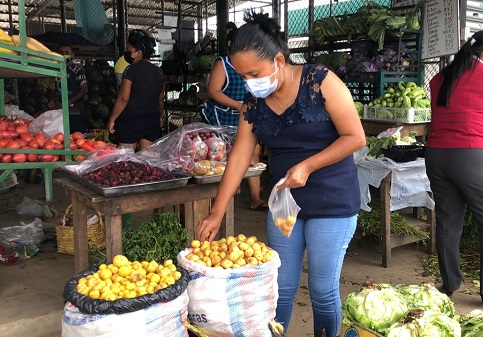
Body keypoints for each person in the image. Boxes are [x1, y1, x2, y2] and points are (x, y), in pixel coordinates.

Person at [195, 11, 366, 336]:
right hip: (285, 204)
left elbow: (355, 137)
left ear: (278, 59)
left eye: (253, 73)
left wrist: (308, 165)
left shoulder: (320, 81)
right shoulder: (253, 105)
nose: (249, 83)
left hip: (332, 201)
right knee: (280, 286)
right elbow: (239, 159)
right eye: (242, 76)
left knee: (321, 288)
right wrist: (217, 211)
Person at [425, 30, 483, 306]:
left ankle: (450, 283)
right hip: (473, 154)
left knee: (449, 222)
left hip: (437, 155)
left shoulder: (440, 77)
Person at [201, 22, 267, 210]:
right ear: (230, 44)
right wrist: (238, 105)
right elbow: (213, 91)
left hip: (245, 116)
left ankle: (256, 199)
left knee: (253, 153)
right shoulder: (223, 64)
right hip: (222, 117)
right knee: (220, 154)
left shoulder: (254, 63)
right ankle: (215, 200)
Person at [108, 30, 165, 151]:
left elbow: (123, 98)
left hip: (130, 120)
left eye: (130, 51)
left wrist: (112, 119)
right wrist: (159, 116)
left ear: (139, 52)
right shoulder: (159, 72)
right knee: (148, 162)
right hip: (151, 120)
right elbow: (160, 98)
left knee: (126, 161)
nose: (127, 54)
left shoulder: (130, 70)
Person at [57, 44, 88, 133]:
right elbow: (56, 88)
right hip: (60, 110)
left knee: (77, 136)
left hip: (75, 110)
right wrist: (53, 99)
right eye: (61, 52)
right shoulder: (56, 69)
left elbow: (84, 89)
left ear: (72, 54)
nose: (64, 54)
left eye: (66, 52)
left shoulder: (77, 70)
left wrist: (70, 101)